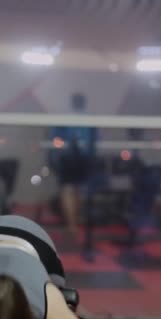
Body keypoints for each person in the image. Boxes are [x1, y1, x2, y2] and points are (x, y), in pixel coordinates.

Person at [48, 93, 98, 236]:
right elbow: (94, 141)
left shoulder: (66, 118)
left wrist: (54, 158)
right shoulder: (89, 119)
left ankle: (72, 224)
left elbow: (55, 138)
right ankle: (75, 221)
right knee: (77, 189)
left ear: (72, 102)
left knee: (68, 190)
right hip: (82, 158)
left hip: (69, 158)